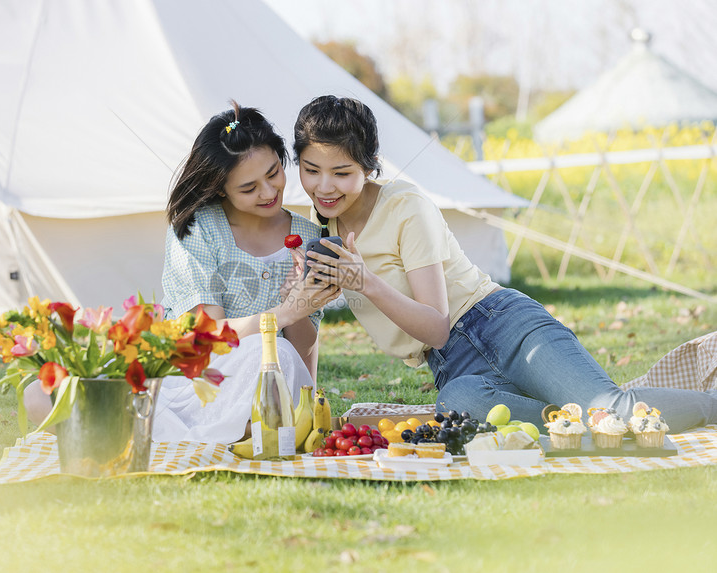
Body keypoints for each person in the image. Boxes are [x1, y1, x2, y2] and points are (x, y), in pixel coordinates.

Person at [294, 94, 717, 433]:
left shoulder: (405, 205)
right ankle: (574, 426)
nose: (324, 186)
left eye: (341, 173)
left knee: (610, 410)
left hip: (501, 324)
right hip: (454, 370)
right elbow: (314, 322)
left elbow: (437, 325)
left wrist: (366, 282)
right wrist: (300, 296)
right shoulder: (322, 229)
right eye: (311, 170)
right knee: (456, 405)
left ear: (369, 168)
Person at [152, 101, 340, 444]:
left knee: (277, 356)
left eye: (273, 174)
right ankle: (235, 429)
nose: (269, 193)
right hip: (197, 377)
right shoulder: (197, 228)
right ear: (221, 188)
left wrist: (298, 306)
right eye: (249, 188)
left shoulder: (309, 235)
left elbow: (301, 354)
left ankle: (248, 428)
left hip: (269, 381)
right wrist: (286, 311)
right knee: (268, 354)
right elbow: (207, 337)